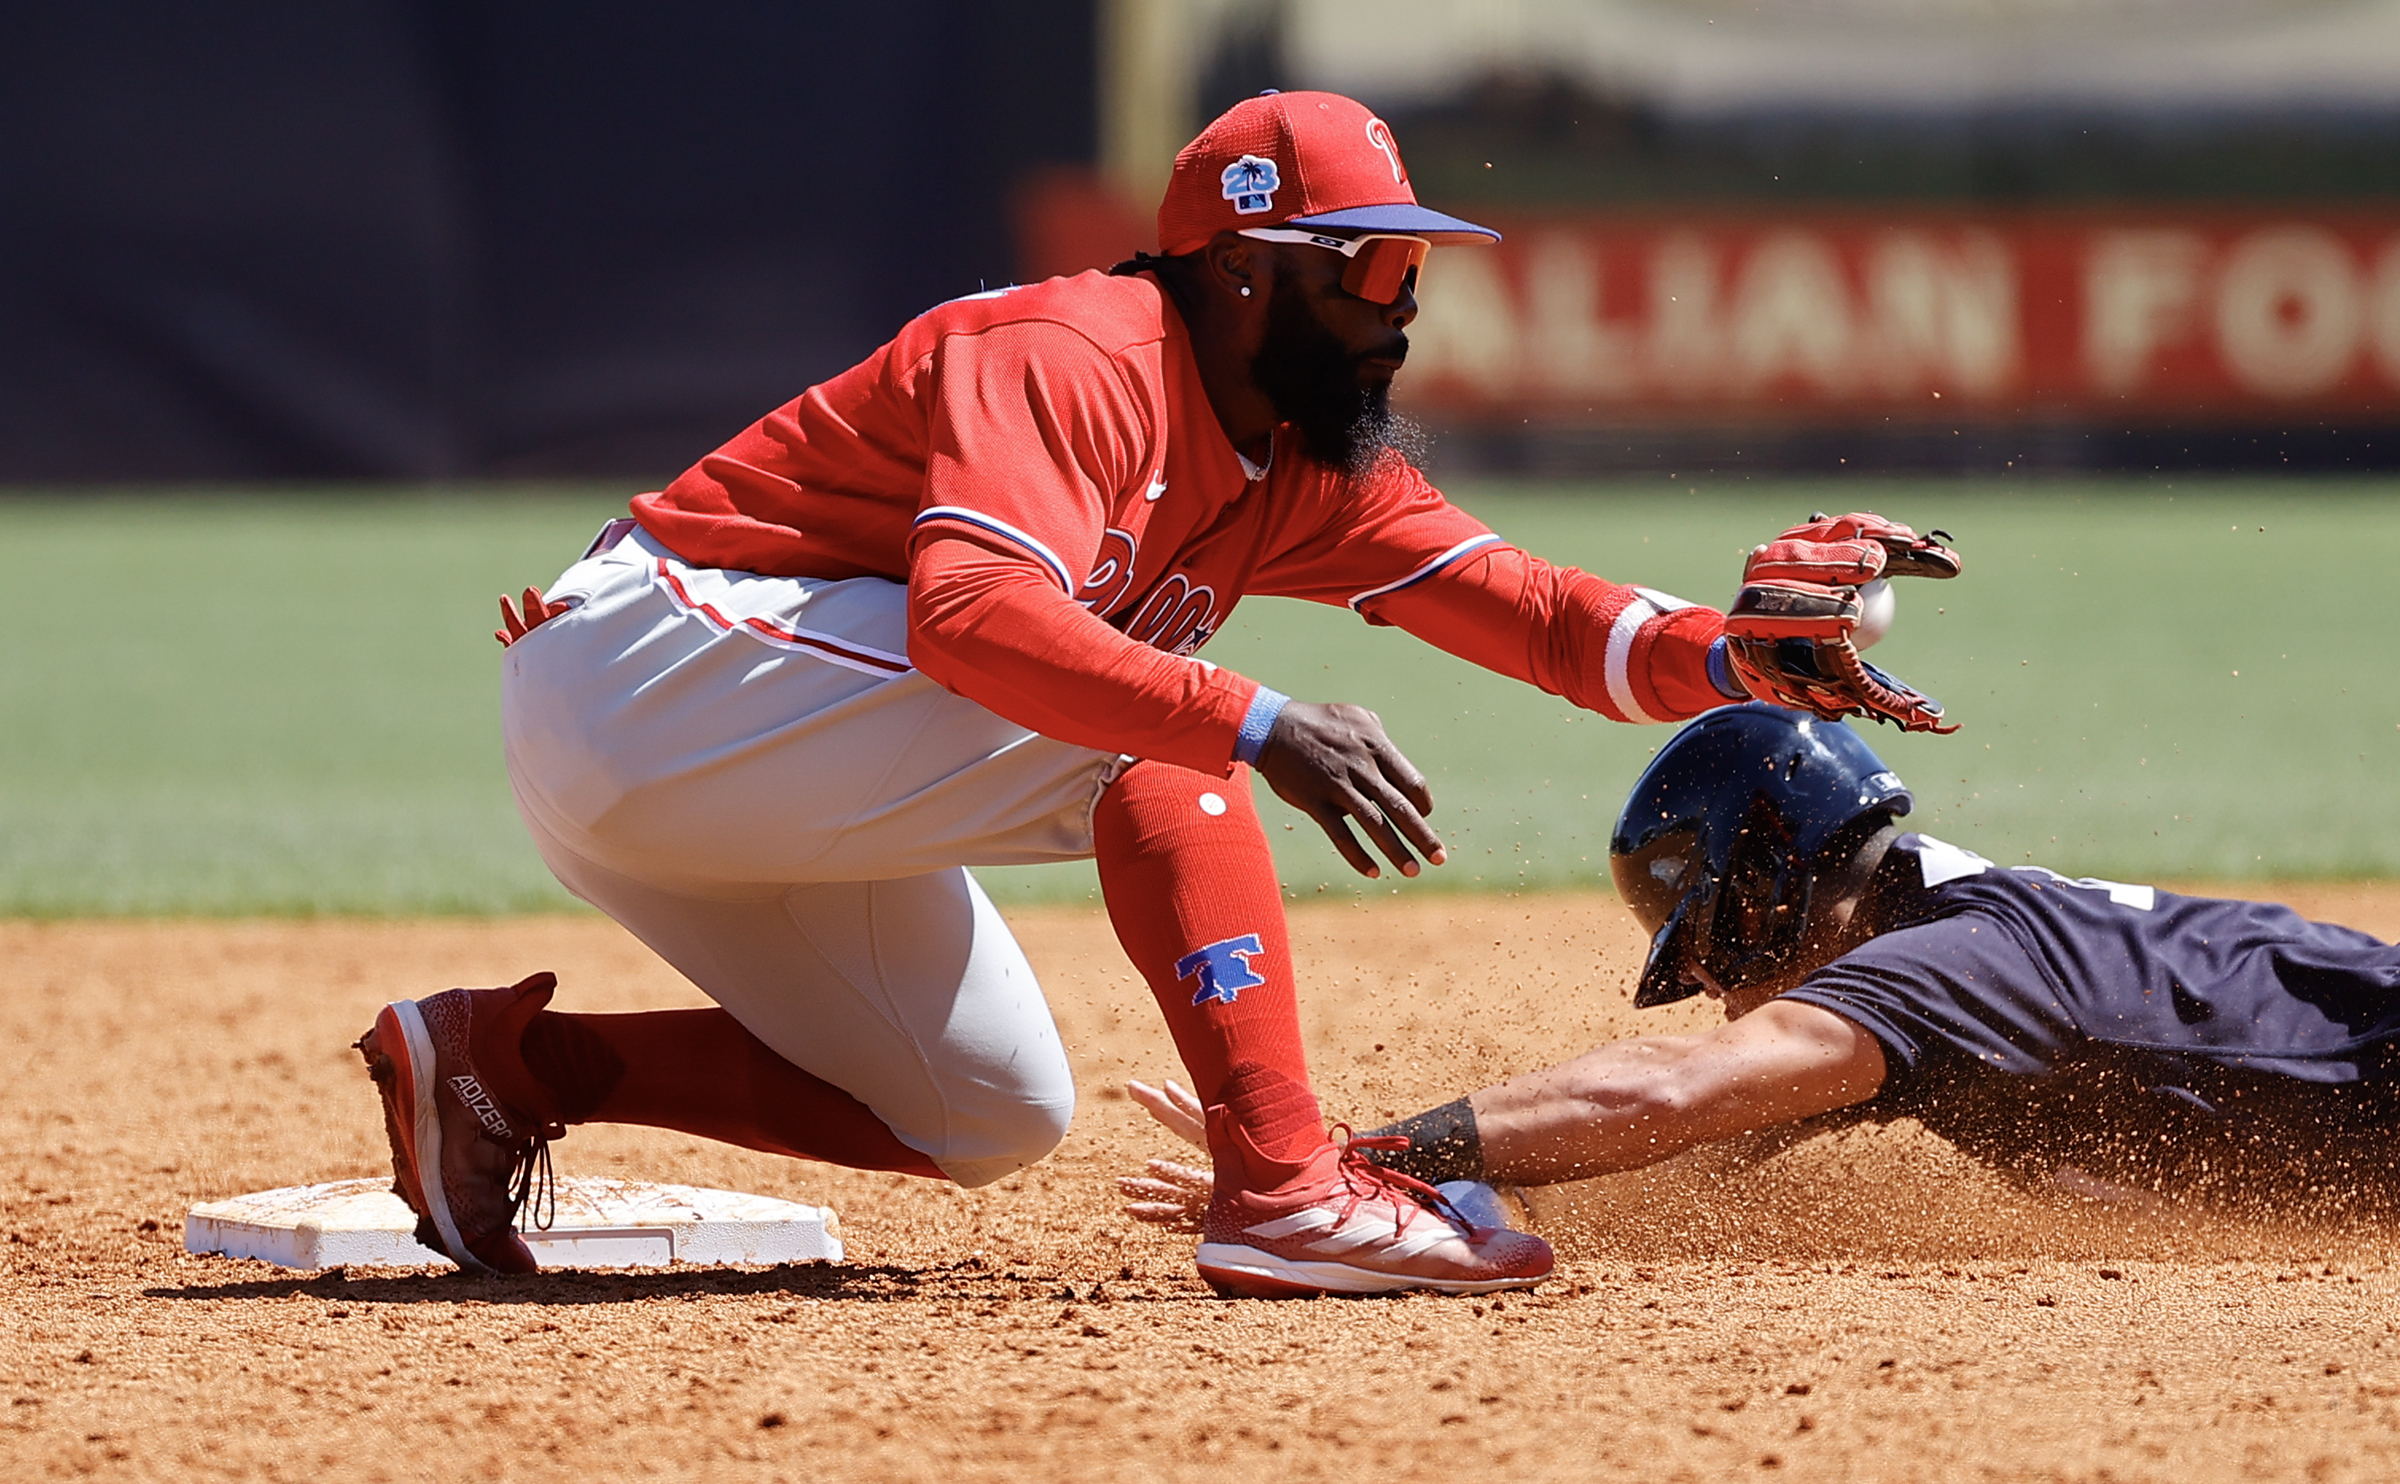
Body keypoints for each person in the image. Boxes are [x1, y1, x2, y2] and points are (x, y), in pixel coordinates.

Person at [354, 89, 1933, 1300]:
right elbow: (974, 617)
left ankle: (509, 1070)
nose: (1405, 303)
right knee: (1149, 734)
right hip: (656, 663)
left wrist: (1734, 652)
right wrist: (1249, 717)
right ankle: (1287, 1189)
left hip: (738, 769)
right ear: (1247, 269)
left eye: (1415, 267)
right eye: (1374, 263)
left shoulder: (1302, 468)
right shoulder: (1077, 351)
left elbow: (1533, 612)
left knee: (981, 1110)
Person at [1125, 704, 2400, 1223]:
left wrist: (1347, 1166)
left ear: (1769, 884)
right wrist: (1384, 1165)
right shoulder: (1942, 937)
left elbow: (1663, 1090)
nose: (1725, 993)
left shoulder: (1941, 969)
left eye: (1717, 945)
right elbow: (1642, 1142)